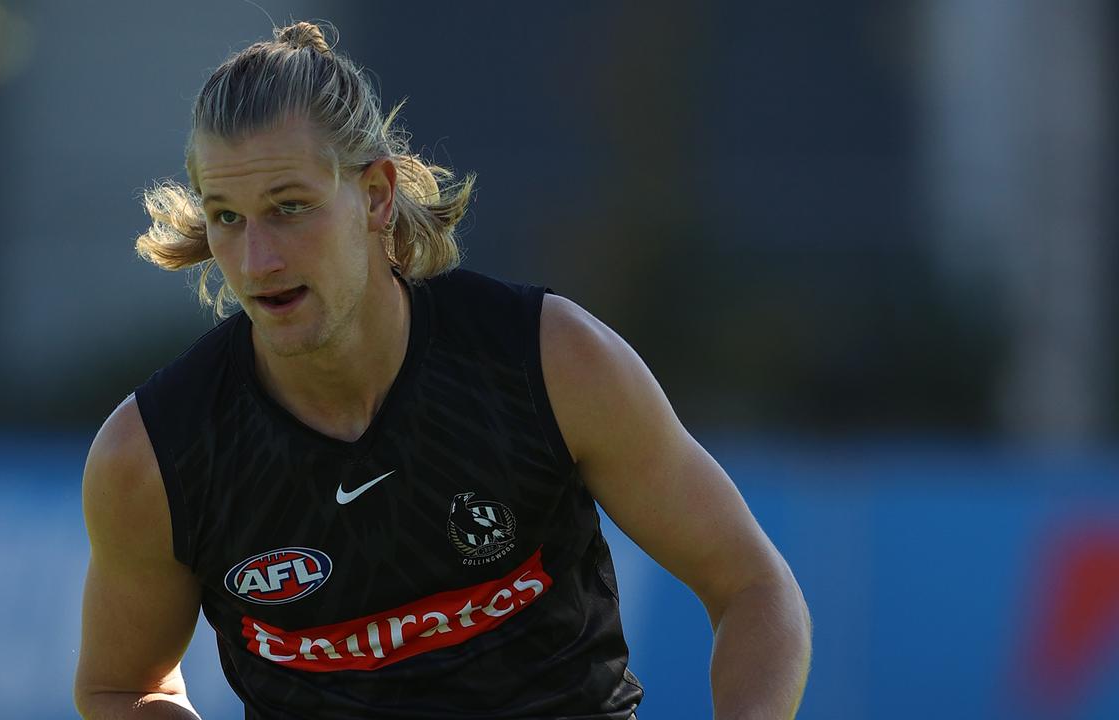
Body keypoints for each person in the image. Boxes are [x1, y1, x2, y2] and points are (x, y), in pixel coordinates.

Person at [73, 21, 811, 720]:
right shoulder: (153, 456)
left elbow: (753, 588)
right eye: (226, 217)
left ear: (376, 195)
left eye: (290, 208)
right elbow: (117, 687)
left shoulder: (550, 362)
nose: (257, 260)